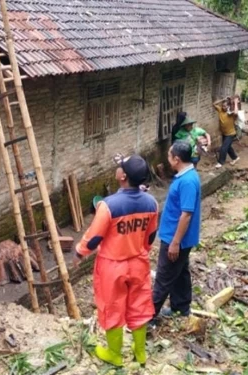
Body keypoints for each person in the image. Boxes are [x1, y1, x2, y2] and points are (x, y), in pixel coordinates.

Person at [74, 154, 159, 367]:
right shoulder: (151, 203)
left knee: (112, 307)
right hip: (138, 263)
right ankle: (140, 353)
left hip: (112, 265)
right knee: (139, 306)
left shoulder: (109, 205)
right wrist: (139, 250)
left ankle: (114, 354)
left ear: (123, 176)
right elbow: (150, 236)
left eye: (120, 167)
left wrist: (79, 252)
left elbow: (93, 238)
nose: (118, 168)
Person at [151, 141, 201, 322]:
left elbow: (186, 215)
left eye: (169, 155)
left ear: (177, 159)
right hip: (180, 237)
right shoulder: (187, 175)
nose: (167, 158)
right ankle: (181, 307)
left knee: (164, 276)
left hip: (176, 237)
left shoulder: (187, 182)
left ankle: (148, 316)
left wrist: (175, 242)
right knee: (180, 272)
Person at [213, 96, 240, 168]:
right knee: (228, 147)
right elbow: (214, 104)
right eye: (223, 106)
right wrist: (223, 99)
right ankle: (235, 158)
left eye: (225, 106)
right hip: (224, 133)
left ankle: (220, 162)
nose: (223, 107)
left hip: (231, 134)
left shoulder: (230, 114)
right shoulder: (220, 110)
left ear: (228, 106)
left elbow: (236, 112)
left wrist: (235, 103)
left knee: (223, 148)